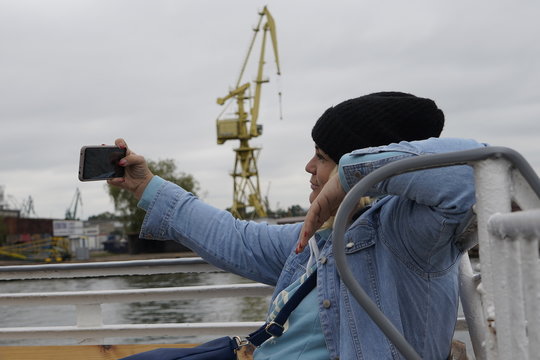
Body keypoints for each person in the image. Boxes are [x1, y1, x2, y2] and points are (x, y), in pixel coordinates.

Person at [109, 92, 484, 359]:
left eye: (322, 157)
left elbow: (473, 176)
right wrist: (146, 186)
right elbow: (237, 239)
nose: (309, 167)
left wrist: (352, 173)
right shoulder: (323, 237)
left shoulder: (408, 234)